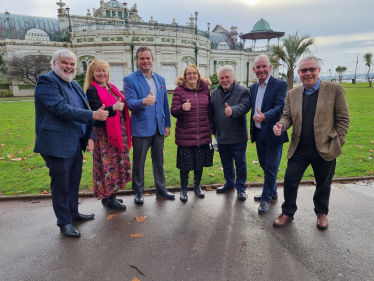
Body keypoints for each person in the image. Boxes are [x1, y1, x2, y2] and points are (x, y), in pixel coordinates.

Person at [34, 49, 109, 238]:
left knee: (73, 181)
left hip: (75, 141)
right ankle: (64, 222)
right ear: (54, 63)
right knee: (61, 184)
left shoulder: (74, 84)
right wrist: (93, 115)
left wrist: (90, 135)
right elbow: (60, 108)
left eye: (72, 64)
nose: (69, 67)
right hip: (56, 143)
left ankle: (73, 213)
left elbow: (85, 108)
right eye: (65, 63)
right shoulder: (47, 81)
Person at [272, 55, 350, 229]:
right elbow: (287, 116)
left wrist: (337, 143)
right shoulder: (292, 93)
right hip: (299, 147)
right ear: (299, 73)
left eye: (311, 69)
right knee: (290, 179)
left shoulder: (335, 89)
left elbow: (343, 119)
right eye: (304, 70)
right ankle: (288, 212)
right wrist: (281, 126)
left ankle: (321, 213)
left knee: (323, 183)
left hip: (325, 147)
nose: (308, 73)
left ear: (318, 70)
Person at [123, 46, 174, 204]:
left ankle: (161, 188)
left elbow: (165, 103)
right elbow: (130, 104)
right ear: (137, 60)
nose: (145, 61)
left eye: (148, 58)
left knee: (158, 161)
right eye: (142, 58)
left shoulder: (160, 79)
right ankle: (138, 192)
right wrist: (144, 101)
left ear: (152, 59)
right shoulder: (130, 79)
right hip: (141, 127)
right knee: (139, 162)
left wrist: (167, 124)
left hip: (159, 127)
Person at [85, 60, 132, 210]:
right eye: (98, 71)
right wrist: (114, 108)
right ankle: (110, 198)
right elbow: (97, 112)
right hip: (105, 135)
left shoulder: (111, 87)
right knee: (108, 166)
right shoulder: (92, 90)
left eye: (104, 70)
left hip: (117, 132)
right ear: (92, 73)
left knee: (115, 165)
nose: (102, 73)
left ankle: (109, 196)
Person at [249, 55, 288, 214]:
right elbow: (253, 109)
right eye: (258, 67)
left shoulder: (280, 84)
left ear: (270, 67)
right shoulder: (253, 87)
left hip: (273, 132)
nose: (261, 70)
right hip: (258, 133)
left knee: (272, 167)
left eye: (264, 66)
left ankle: (266, 199)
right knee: (265, 165)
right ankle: (273, 192)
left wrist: (264, 116)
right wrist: (253, 131)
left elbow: (280, 107)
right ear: (254, 70)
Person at [171, 65, 213, 202]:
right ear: (185, 76)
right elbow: (173, 111)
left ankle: (197, 186)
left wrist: (211, 128)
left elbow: (209, 111)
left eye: (194, 73)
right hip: (185, 134)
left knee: (199, 163)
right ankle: (183, 188)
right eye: (189, 73)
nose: (192, 76)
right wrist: (182, 108)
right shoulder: (179, 90)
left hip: (202, 133)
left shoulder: (205, 90)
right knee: (185, 164)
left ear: (198, 75)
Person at [211, 65, 251, 200]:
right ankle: (229, 183)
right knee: (226, 162)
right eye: (221, 77)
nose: (224, 80)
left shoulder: (243, 91)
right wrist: (213, 131)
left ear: (233, 77)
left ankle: (240, 187)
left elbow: (245, 106)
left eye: (227, 77)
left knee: (240, 163)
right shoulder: (215, 93)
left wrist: (233, 110)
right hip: (221, 135)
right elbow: (212, 114)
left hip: (238, 136)